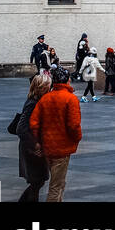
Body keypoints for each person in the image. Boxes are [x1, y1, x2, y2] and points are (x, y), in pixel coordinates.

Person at [29, 65, 82, 203]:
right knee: (56, 185)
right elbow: (74, 125)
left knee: (58, 182)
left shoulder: (45, 98)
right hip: (62, 148)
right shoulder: (70, 99)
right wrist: (77, 138)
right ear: (67, 80)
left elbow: (34, 123)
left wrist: (39, 141)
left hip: (48, 146)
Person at [17, 72, 51, 202]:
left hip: (33, 147)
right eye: (48, 86)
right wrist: (35, 145)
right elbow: (21, 128)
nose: (50, 88)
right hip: (31, 149)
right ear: (41, 87)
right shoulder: (32, 103)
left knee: (37, 182)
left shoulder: (36, 101)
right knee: (37, 182)